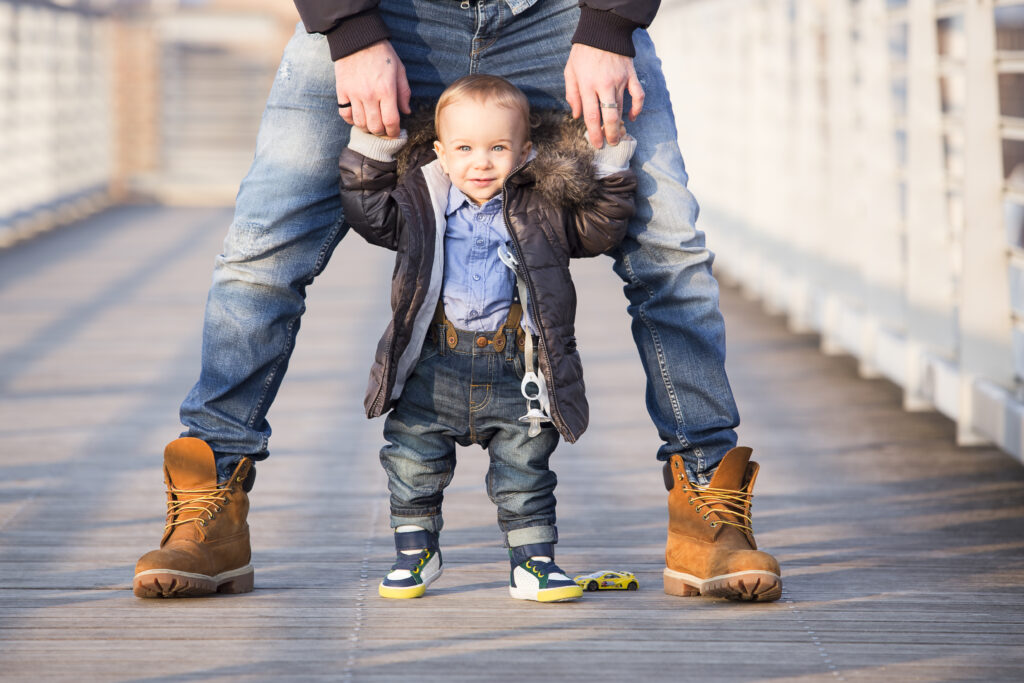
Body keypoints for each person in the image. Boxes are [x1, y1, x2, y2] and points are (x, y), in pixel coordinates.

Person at [133, 0, 782, 602]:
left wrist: (611, 21)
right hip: (388, 15)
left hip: (563, 19)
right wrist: (349, 26)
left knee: (672, 253)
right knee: (260, 254)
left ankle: (705, 507)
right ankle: (211, 504)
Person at [338, 74, 636, 602]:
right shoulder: (420, 204)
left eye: (498, 148)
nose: (481, 162)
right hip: (435, 362)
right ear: (441, 154)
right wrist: (372, 144)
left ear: (524, 154)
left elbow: (599, 229)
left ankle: (534, 563)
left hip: (517, 368)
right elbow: (368, 211)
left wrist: (611, 162)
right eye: (466, 149)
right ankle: (415, 553)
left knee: (526, 468)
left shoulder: (542, 209)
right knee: (412, 458)